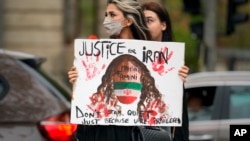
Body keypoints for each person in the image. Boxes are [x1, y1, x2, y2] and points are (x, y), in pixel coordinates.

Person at [72, 1, 153, 141]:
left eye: (112, 15)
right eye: (105, 15)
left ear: (128, 21)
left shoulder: (152, 55)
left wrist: (178, 77)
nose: (106, 21)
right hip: (102, 131)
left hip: (135, 132)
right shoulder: (97, 54)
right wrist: (77, 81)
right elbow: (88, 96)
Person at [141, 1, 189, 141]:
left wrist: (179, 81)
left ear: (163, 24)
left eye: (149, 20)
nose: (145, 26)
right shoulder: (129, 58)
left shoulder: (174, 63)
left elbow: (180, 116)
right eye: (141, 22)